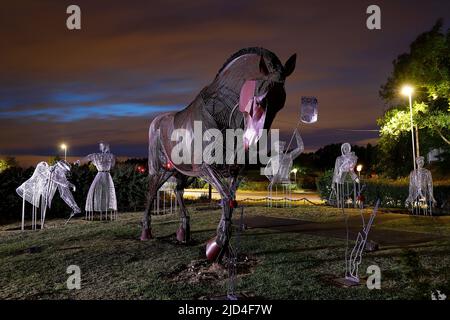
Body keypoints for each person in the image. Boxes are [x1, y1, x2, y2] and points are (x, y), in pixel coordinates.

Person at [77, 141, 117, 220]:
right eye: (101, 146)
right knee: (95, 191)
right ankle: (95, 211)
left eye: (102, 146)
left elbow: (112, 165)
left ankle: (106, 210)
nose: (101, 148)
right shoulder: (97, 156)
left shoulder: (110, 156)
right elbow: (87, 158)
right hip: (102, 175)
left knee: (108, 193)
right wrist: (79, 162)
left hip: (106, 176)